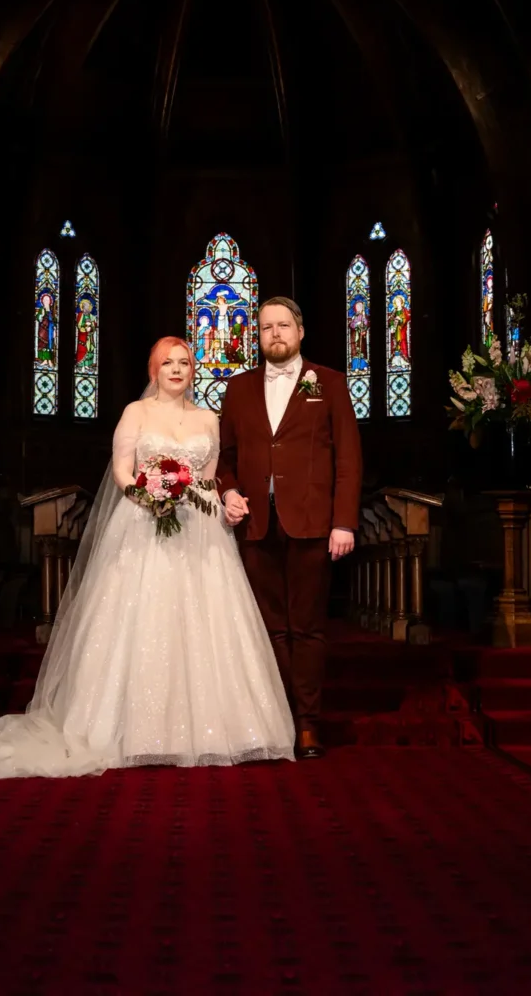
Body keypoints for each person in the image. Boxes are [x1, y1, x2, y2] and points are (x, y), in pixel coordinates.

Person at [0, 337, 295, 778]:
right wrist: (150, 494)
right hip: (143, 521)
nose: (177, 369)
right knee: (142, 622)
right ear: (153, 371)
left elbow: (208, 480)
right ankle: (133, 732)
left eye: (185, 362)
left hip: (199, 531)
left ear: (194, 370)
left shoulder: (210, 419)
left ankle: (212, 731)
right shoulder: (137, 413)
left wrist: (219, 506)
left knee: (205, 625)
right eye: (167, 362)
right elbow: (121, 470)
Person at [218, 297, 363, 759]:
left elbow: (349, 460)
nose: (275, 334)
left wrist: (343, 522)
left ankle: (307, 725)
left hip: (313, 522)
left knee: (307, 629)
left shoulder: (332, 384)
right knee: (269, 629)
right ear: (256, 337)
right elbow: (224, 458)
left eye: (283, 325)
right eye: (265, 328)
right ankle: (275, 718)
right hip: (256, 523)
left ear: (300, 332)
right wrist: (228, 491)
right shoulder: (238, 388)